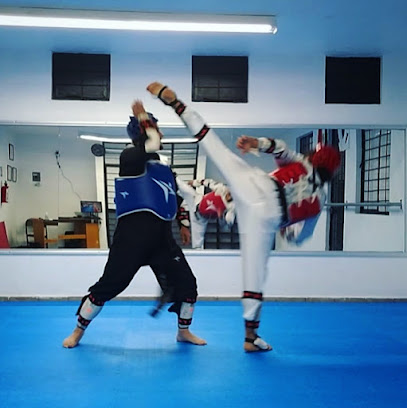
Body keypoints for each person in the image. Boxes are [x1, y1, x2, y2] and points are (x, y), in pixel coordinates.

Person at [146, 82, 340, 352]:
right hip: (269, 217)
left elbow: (281, 148)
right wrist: (288, 231)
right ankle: (251, 337)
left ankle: (177, 104)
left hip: (256, 185)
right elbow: (303, 236)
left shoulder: (303, 163)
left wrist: (256, 143)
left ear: (315, 157)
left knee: (214, 145)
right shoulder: (320, 199)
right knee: (254, 274)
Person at [62, 99, 206, 348]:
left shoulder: (162, 167)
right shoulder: (130, 157)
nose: (160, 133)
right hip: (131, 239)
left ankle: (183, 332)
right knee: (107, 286)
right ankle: (78, 331)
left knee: (187, 284)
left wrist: (183, 223)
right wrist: (142, 117)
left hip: (162, 239)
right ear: (143, 132)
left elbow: (176, 195)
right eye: (156, 128)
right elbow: (153, 142)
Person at [175, 176, 235, 249]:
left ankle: (197, 254)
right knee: (181, 185)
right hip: (195, 200)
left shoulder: (231, 207)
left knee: (197, 245)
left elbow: (226, 226)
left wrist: (221, 217)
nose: (229, 195)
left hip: (200, 219)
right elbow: (207, 182)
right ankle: (170, 176)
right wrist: (194, 183)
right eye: (229, 192)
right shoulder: (221, 188)